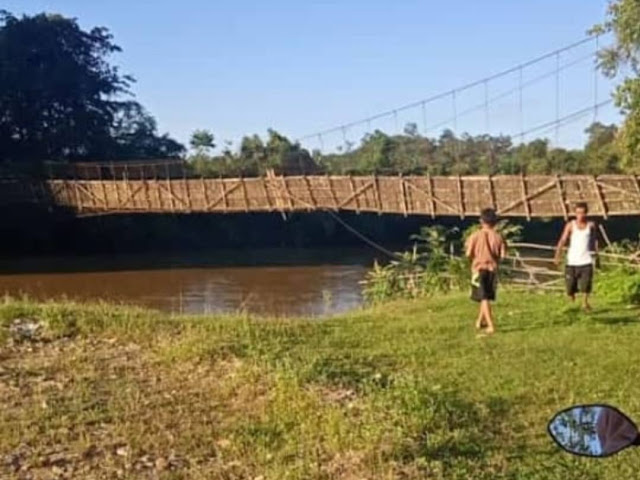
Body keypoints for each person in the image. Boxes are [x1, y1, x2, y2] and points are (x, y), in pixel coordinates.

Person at [465, 208, 506, 335]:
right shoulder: (498, 237)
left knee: (483, 297)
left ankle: (491, 326)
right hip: (492, 268)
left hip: (478, 269)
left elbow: (468, 253)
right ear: (495, 222)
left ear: (481, 221)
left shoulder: (474, 236)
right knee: (486, 295)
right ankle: (480, 321)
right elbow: (503, 255)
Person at [554, 202, 598, 312]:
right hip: (572, 260)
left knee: (586, 284)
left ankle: (585, 303)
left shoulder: (591, 226)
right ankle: (571, 298)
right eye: (578, 213)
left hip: (586, 259)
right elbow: (563, 240)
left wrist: (597, 256)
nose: (580, 215)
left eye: (583, 213)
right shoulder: (570, 225)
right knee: (570, 287)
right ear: (575, 213)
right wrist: (557, 254)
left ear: (586, 213)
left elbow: (594, 241)